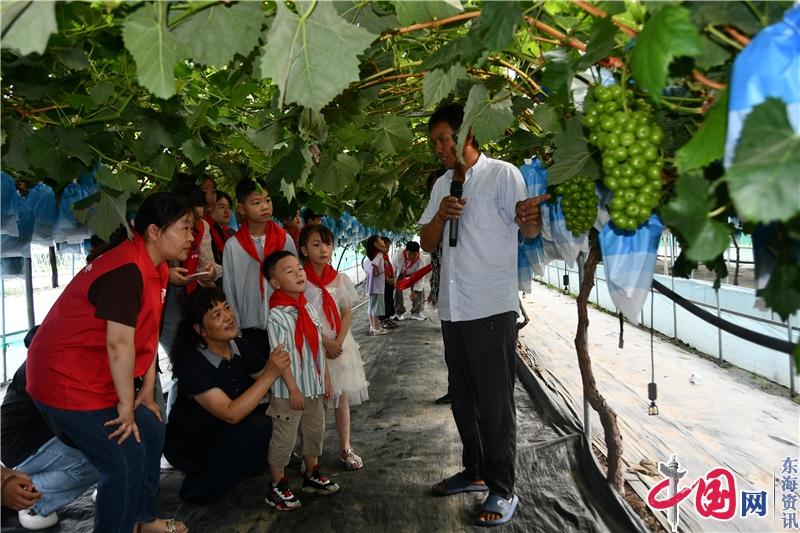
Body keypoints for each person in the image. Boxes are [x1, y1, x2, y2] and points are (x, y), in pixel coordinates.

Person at [25, 192, 192, 533]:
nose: (192, 237)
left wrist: (145, 391)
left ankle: (141, 520)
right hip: (65, 378)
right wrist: (126, 405)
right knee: (125, 457)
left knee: (152, 425)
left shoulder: (156, 267)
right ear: (154, 231)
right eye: (185, 228)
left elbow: (144, 334)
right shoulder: (126, 271)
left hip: (94, 374)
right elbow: (119, 345)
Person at [419, 103, 548, 527]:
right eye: (434, 140)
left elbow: (526, 227)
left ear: (468, 134)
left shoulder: (502, 174)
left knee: (495, 403)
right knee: (463, 397)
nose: (439, 147)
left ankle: (503, 488)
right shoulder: (442, 185)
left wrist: (531, 220)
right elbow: (427, 241)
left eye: (444, 138)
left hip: (490, 307)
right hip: (455, 310)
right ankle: (474, 471)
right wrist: (440, 215)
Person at [164, 288, 290, 503]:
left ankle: (247, 462)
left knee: (279, 414)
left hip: (225, 426)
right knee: (257, 426)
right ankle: (203, 481)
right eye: (217, 315)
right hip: (193, 441)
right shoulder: (192, 364)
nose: (228, 317)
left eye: (227, 308)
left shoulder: (240, 346)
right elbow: (230, 413)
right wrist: (270, 374)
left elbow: (273, 385)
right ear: (200, 329)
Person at [262, 251, 339, 511]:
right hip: (288, 392)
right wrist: (293, 389)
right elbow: (280, 357)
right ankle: (277, 485)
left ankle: (311, 472)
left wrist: (326, 378)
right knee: (283, 439)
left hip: (314, 388)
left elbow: (317, 346)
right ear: (275, 283)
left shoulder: (308, 307)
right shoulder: (277, 315)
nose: (299, 273)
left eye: (299, 268)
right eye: (290, 271)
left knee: (314, 432)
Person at [299, 224, 369, 471]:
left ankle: (345, 446)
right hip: (310, 344)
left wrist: (337, 341)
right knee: (312, 402)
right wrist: (324, 341)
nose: (323, 249)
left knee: (342, 399)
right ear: (304, 250)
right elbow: (301, 316)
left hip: (339, 345)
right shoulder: (300, 280)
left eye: (327, 244)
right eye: (316, 244)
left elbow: (347, 313)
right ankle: (309, 453)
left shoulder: (340, 279)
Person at [2, 359, 100, 530]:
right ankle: (32, 500)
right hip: (24, 441)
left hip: (40, 433)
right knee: (107, 457)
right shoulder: (51, 358)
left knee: (114, 452)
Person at [222, 178, 297, 354]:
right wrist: (236, 329)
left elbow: (297, 279)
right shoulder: (233, 246)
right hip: (250, 328)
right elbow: (229, 290)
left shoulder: (284, 239)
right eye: (256, 202)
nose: (265, 207)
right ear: (241, 208)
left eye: (268, 200)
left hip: (286, 321)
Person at [392, 241, 429, 321]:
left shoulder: (421, 259)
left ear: (418, 253)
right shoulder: (398, 255)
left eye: (414, 254)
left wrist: (415, 292)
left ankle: (416, 312)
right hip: (401, 273)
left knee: (419, 291)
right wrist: (394, 282)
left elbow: (420, 276)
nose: (412, 257)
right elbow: (393, 271)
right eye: (409, 254)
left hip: (415, 274)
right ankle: (398, 312)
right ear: (406, 251)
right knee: (396, 289)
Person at [362, 235, 388, 336]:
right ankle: (376, 328)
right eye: (380, 239)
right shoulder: (379, 254)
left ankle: (373, 326)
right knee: (376, 307)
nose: (382, 240)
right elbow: (374, 264)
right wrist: (377, 272)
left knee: (372, 306)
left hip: (373, 285)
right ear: (376, 244)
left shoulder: (373, 254)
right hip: (378, 285)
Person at [206, 191, 236, 266]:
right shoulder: (206, 232)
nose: (227, 211)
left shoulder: (231, 232)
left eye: (229, 207)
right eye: (222, 207)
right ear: (210, 208)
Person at [378, 236, 399, 329]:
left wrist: (392, 278)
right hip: (382, 283)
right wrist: (387, 278)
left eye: (388, 247)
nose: (387, 249)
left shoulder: (385, 256)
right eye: (385, 247)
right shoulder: (378, 257)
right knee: (383, 302)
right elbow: (379, 270)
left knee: (389, 300)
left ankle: (387, 319)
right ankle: (383, 320)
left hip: (388, 282)